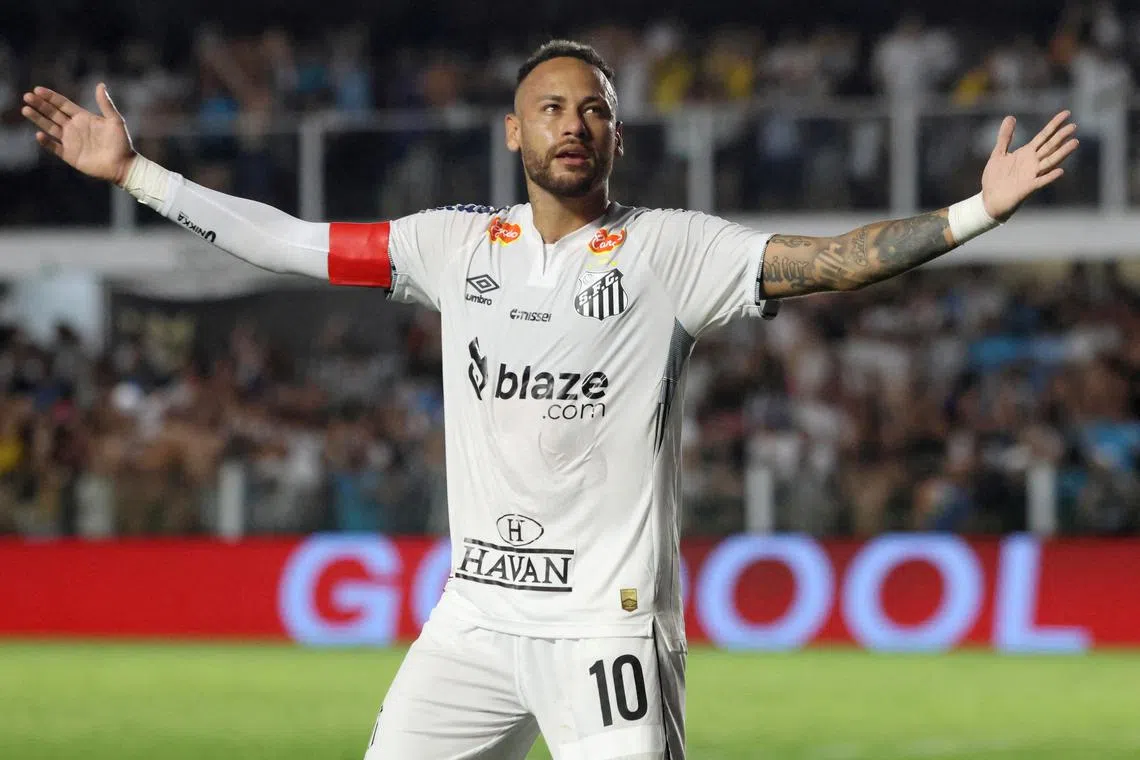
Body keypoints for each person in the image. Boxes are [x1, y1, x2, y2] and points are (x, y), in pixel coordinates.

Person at [21, 38, 1077, 760]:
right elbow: (287, 241)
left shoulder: (673, 251)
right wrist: (137, 176)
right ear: (514, 134)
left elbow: (835, 260)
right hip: (474, 620)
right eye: (551, 108)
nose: (574, 122)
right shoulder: (448, 244)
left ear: (619, 138)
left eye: (595, 111)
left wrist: (978, 208)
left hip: (606, 635)